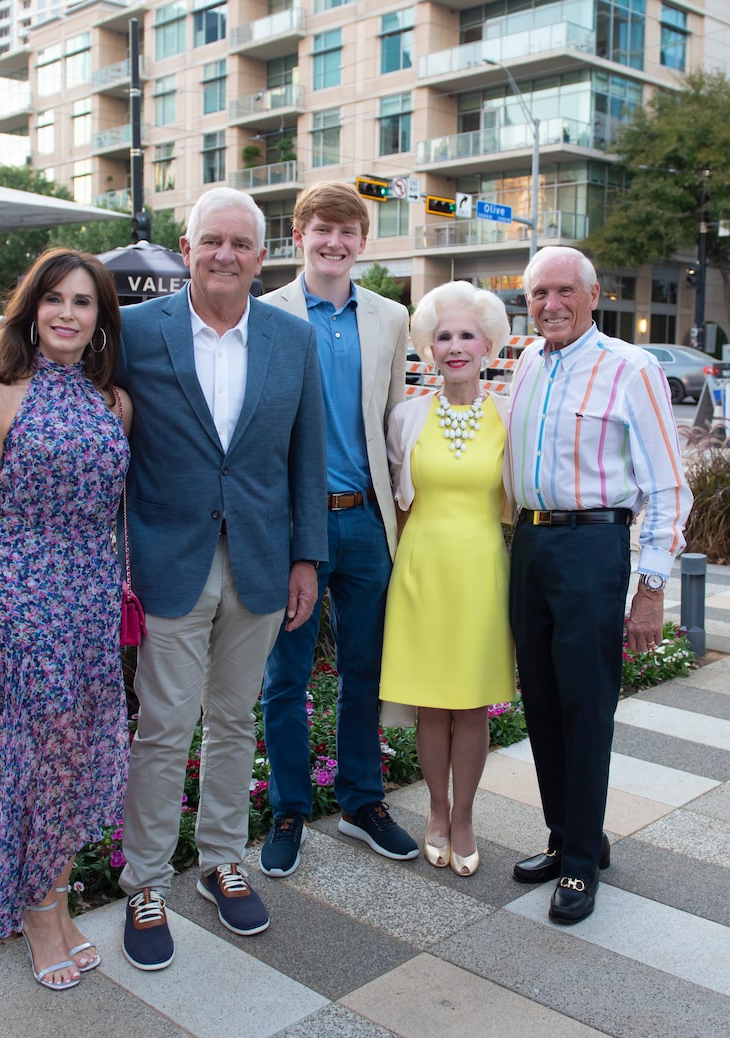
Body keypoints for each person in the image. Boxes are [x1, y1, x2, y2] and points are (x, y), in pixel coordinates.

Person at [0, 187, 327, 970]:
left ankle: (223, 859)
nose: (225, 254)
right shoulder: (137, 331)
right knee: (161, 726)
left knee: (234, 720)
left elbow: (306, 456)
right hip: (167, 563)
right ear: (187, 250)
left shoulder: (293, 341)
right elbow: (44, 374)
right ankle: (146, 878)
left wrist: (306, 559)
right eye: (210, 241)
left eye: (241, 243)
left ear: (262, 256)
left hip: (261, 559)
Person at [0, 248, 132, 991]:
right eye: (54, 298)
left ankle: (54, 900)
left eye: (82, 302)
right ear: (31, 309)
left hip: (91, 603)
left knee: (75, 756)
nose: (67, 312)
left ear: (98, 320)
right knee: (35, 758)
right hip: (21, 603)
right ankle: (34, 912)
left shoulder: (114, 402)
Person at [506, 246, 692, 923]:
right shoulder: (528, 362)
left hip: (592, 544)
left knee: (587, 707)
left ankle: (582, 864)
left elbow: (670, 486)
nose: (549, 305)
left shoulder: (631, 367)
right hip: (529, 544)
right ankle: (567, 837)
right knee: (545, 705)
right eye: (537, 294)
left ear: (591, 296)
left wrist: (650, 585)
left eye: (562, 291)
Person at [258, 181, 418, 878]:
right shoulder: (266, 314)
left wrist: (404, 519)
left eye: (347, 232)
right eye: (322, 229)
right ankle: (290, 808)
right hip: (295, 529)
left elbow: (395, 423)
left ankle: (360, 801)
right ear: (300, 237)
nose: (334, 242)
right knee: (285, 678)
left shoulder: (389, 316)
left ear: (362, 242)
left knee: (366, 670)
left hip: (365, 525)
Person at [379, 282, 515, 877]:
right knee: (433, 705)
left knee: (472, 705)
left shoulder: (511, 415)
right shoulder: (405, 418)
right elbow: (398, 507)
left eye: (466, 335)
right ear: (428, 348)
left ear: (488, 345)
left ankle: (465, 818)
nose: (454, 346)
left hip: (483, 573)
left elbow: (517, 504)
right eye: (443, 336)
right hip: (422, 575)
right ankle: (436, 811)